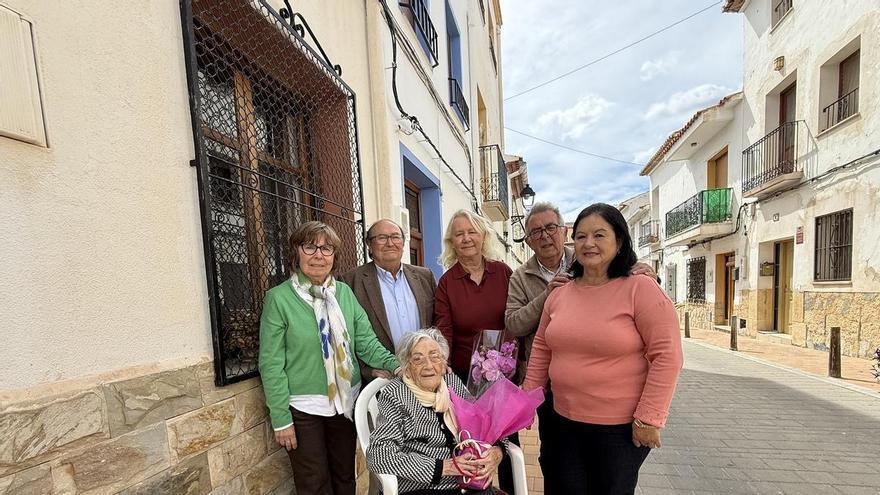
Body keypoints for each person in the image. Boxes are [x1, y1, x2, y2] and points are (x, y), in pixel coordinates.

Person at [523, 203, 683, 495]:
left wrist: (649, 417)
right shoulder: (560, 292)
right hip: (561, 422)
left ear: (619, 240)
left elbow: (667, 355)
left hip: (617, 430)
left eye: (599, 235)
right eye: (581, 236)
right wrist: (526, 399)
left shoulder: (641, 289)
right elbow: (543, 348)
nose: (588, 243)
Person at [259, 221, 401, 495]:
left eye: (326, 248)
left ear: (335, 256)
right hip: (303, 408)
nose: (318, 255)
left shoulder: (344, 294)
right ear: (296, 252)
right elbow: (271, 363)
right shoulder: (279, 299)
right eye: (310, 246)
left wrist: (398, 366)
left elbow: (367, 344)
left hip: (345, 402)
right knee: (314, 484)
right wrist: (281, 418)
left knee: (345, 477)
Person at [433, 209, 516, 492]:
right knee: (471, 440)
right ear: (452, 242)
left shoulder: (503, 272)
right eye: (459, 233)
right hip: (463, 378)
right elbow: (444, 327)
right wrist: (441, 361)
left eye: (472, 231)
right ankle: (475, 488)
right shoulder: (447, 282)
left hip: (503, 375)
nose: (466, 238)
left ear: (483, 236)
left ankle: (511, 488)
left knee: (506, 442)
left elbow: (516, 317)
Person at [367, 329, 505, 495]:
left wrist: (497, 451)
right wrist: (445, 467)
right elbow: (379, 455)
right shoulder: (396, 395)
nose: (428, 365)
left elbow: (485, 420)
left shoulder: (451, 383)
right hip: (421, 487)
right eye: (417, 359)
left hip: (468, 481)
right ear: (407, 367)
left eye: (434, 356)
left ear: (443, 363)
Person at [340, 219, 437, 382]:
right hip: (382, 379)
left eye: (395, 237)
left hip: (425, 373)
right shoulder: (350, 281)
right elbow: (347, 335)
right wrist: (368, 370)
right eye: (382, 238)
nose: (390, 243)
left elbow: (436, 321)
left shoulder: (424, 276)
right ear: (369, 245)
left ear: (403, 243)